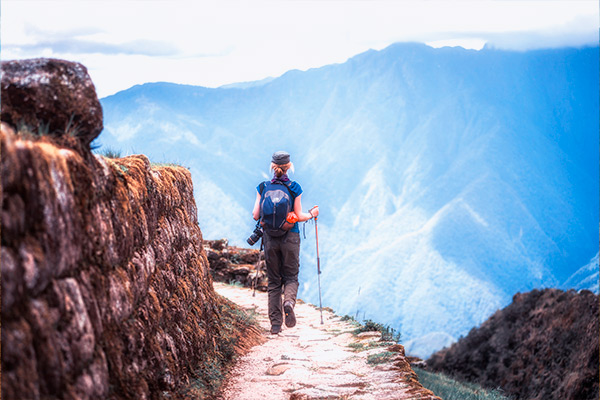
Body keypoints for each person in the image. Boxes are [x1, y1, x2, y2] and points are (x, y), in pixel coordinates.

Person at [252, 151, 319, 335]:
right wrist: (312, 214)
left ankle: (275, 325)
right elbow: (297, 216)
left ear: (272, 166)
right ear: (289, 167)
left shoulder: (263, 187)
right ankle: (288, 302)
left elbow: (256, 215)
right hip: (290, 237)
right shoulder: (295, 188)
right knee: (291, 277)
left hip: (270, 238)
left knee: (274, 281)